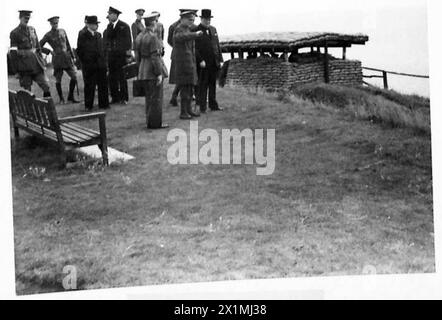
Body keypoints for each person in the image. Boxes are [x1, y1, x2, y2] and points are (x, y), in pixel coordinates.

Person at [134, 13, 169, 129]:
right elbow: (155, 57)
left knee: (149, 99)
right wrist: (159, 73)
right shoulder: (153, 37)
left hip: (143, 69)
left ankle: (150, 122)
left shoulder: (139, 36)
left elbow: (137, 56)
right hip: (152, 71)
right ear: (153, 23)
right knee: (156, 99)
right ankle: (155, 123)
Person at [9, 10, 51, 98]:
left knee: (46, 85)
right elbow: (13, 53)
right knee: (27, 91)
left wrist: (42, 61)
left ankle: (48, 108)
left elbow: (38, 47)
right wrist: (16, 71)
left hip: (36, 64)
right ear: (20, 18)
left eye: (28, 18)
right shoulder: (14, 33)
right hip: (24, 66)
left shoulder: (32, 29)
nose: (27, 20)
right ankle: (29, 111)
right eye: (25, 18)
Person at [172, 10, 203, 119]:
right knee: (185, 90)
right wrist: (195, 34)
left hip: (189, 64)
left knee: (189, 89)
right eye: (190, 20)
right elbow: (182, 37)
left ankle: (188, 110)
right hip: (183, 65)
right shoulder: (179, 29)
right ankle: (183, 112)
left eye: (193, 20)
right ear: (183, 19)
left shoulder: (186, 29)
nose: (192, 22)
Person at [40, 16, 79, 104]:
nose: (55, 25)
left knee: (74, 77)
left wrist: (73, 56)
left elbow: (68, 44)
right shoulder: (48, 35)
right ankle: (61, 99)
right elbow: (39, 45)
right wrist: (49, 51)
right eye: (54, 23)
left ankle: (70, 96)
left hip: (67, 58)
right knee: (58, 79)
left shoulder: (62, 31)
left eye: (56, 23)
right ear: (50, 24)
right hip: (57, 59)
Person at [76, 15, 109, 111]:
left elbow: (102, 49)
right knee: (90, 86)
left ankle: (104, 104)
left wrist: (103, 61)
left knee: (103, 85)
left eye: (97, 24)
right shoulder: (83, 35)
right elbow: (80, 51)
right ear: (89, 25)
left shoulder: (98, 35)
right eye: (95, 24)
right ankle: (88, 105)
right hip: (90, 65)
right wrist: (86, 62)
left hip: (100, 65)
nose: (96, 26)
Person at [195, 9, 223, 112]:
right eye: (206, 19)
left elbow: (217, 45)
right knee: (203, 85)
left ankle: (213, 105)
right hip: (204, 63)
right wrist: (200, 60)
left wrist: (220, 59)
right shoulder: (197, 30)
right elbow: (195, 48)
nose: (208, 21)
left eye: (209, 19)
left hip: (214, 62)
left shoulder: (213, 29)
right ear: (201, 19)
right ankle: (202, 107)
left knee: (212, 85)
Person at [168, 9, 198, 107]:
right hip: (180, 55)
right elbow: (171, 40)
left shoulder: (190, 26)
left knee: (186, 78)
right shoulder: (176, 27)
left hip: (186, 54)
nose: (192, 19)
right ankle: (179, 98)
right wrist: (181, 48)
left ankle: (179, 97)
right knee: (183, 79)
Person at [104, 6, 132, 104]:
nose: (109, 16)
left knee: (122, 77)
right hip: (112, 56)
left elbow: (129, 42)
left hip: (121, 56)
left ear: (115, 15)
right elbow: (107, 41)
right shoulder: (109, 27)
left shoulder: (124, 26)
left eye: (110, 14)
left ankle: (124, 98)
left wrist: (128, 56)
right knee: (112, 77)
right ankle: (115, 97)